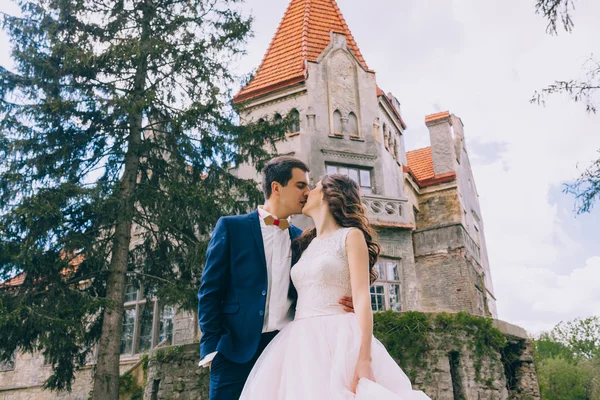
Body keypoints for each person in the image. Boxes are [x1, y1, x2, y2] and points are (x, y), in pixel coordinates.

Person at [239, 174, 431, 399]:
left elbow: (361, 298)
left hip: (339, 336)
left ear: (327, 195)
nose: (307, 192)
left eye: (314, 187)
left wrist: (364, 359)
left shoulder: (351, 236)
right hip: (299, 342)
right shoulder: (304, 243)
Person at [197, 157, 354, 400]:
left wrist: (346, 301)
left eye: (308, 186)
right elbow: (209, 292)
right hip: (233, 353)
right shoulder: (231, 228)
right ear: (277, 188)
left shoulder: (304, 240)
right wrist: (211, 349)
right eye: (300, 185)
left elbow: (317, 282)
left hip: (284, 353)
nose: (307, 192)